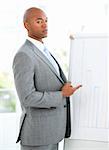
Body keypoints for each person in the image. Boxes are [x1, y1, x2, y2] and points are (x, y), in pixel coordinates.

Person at [12, 7, 82, 150]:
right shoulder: (24, 55)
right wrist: (62, 94)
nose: (45, 25)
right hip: (37, 136)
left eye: (46, 21)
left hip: (53, 132)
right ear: (26, 25)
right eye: (39, 21)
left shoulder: (45, 51)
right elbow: (27, 97)